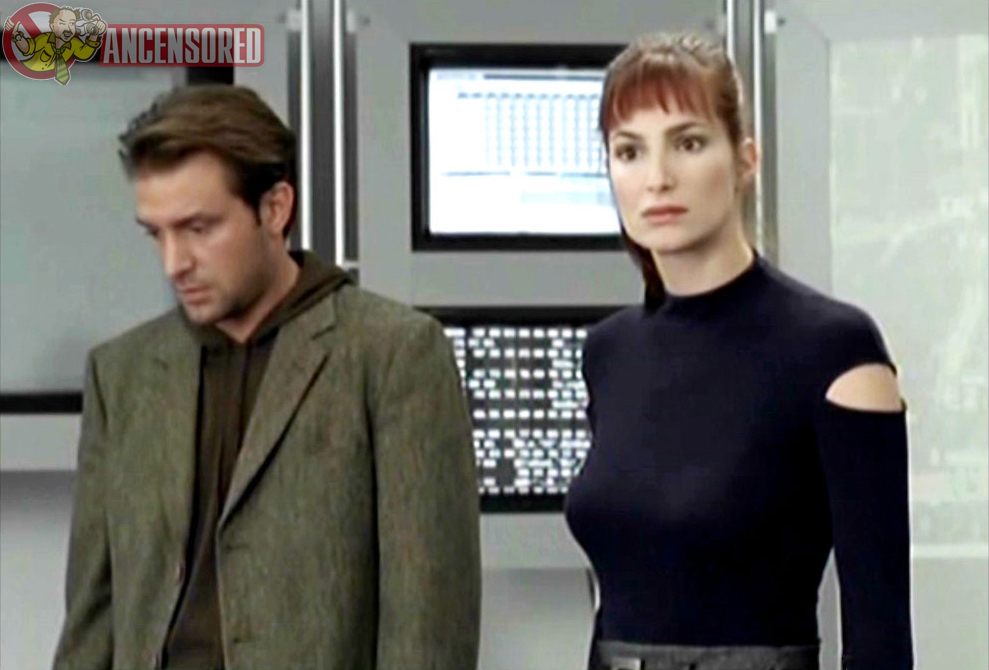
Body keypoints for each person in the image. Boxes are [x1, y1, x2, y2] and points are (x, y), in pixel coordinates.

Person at [52, 85, 480, 670]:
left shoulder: (393, 355)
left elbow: (428, 630)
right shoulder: (121, 375)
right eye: (157, 233)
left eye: (199, 228)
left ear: (275, 209)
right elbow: (91, 624)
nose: (174, 262)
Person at [564, 33, 913, 670]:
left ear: (746, 159)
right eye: (629, 151)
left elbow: (880, 634)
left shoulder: (835, 350)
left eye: (688, 143)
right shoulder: (608, 353)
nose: (657, 178)